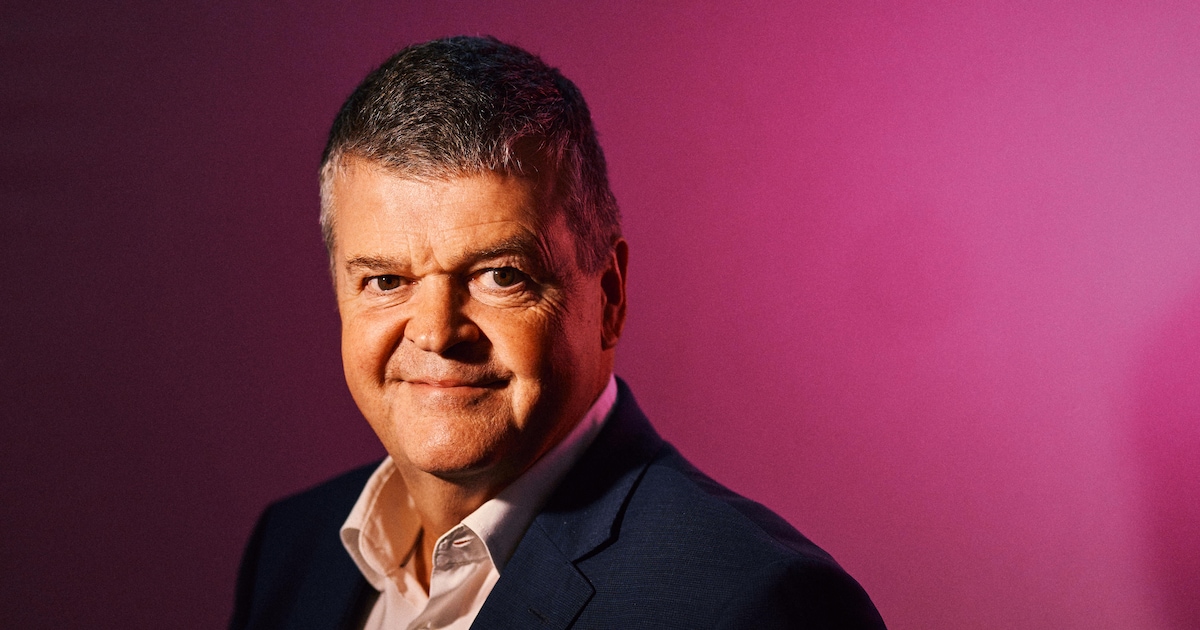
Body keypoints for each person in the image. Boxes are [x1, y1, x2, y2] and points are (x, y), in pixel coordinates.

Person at [230, 36, 886, 630]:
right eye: (385, 280)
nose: (435, 333)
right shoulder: (292, 549)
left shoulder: (754, 604)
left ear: (609, 295)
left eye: (500, 276)